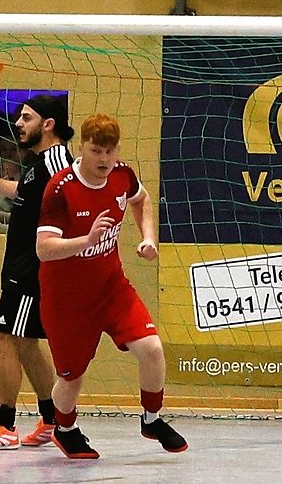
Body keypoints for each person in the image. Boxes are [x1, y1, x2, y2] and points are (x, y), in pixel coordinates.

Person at [35, 113, 187, 459]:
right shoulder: (60, 188)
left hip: (111, 288)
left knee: (151, 348)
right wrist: (86, 240)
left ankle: (151, 418)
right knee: (71, 378)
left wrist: (148, 238)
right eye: (96, 151)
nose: (104, 159)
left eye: (110, 151)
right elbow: (44, 249)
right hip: (67, 300)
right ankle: (65, 428)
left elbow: (141, 200)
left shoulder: (122, 174)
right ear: (81, 149)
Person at [0, 95, 73, 450]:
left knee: (3, 337)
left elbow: (76, 198)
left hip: (32, 267)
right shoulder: (39, 164)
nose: (19, 124)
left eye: (27, 118)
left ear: (48, 124)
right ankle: (53, 419)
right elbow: (25, 193)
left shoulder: (57, 161)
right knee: (24, 343)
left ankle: (4, 425)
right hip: (21, 265)